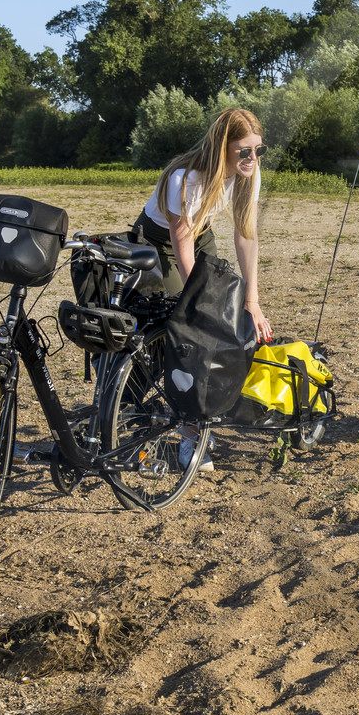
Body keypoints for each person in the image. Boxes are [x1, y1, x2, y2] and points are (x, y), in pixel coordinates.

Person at [134, 106, 276, 471]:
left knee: (220, 325)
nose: (252, 157)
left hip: (200, 236)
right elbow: (179, 245)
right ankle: (140, 416)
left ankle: (192, 432)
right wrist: (199, 303)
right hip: (157, 243)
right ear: (222, 146)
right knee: (187, 328)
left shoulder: (249, 172)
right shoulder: (187, 179)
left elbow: (246, 234)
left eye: (258, 149)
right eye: (244, 150)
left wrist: (252, 300)